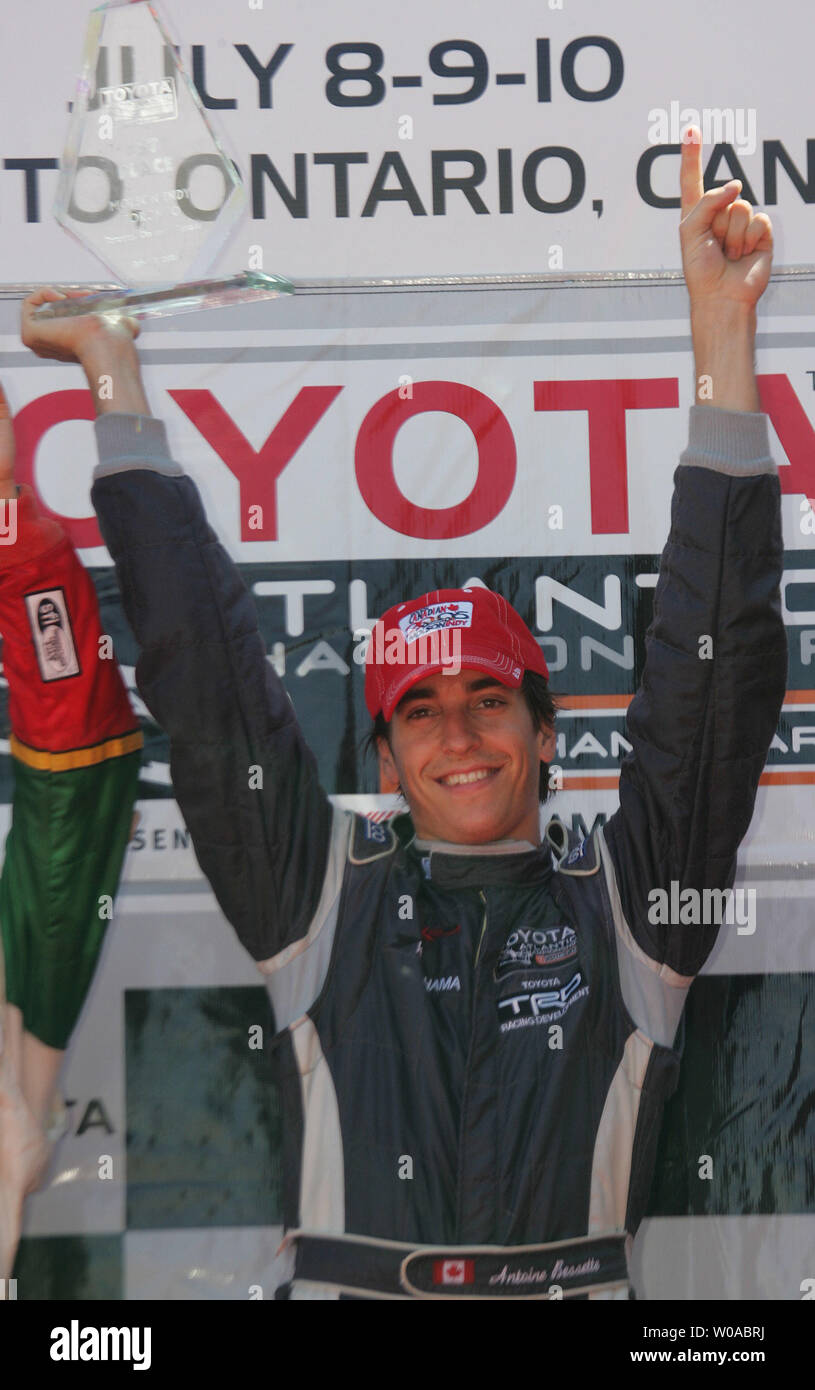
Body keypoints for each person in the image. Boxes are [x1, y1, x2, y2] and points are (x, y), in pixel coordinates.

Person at [20, 130, 787, 1300]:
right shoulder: (321, 894)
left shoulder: (630, 904)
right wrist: (113, 383)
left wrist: (720, 332)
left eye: (488, 700)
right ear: (381, 752)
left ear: (545, 732)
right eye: (420, 712)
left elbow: (712, 682)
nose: (460, 737)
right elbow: (212, 690)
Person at [0, 381, 141, 1287]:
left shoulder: (25, 540)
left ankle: (24, 1126)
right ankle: (23, 1122)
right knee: (21, 1047)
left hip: (72, 780)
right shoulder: (24, 532)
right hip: (67, 767)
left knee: (23, 1087)